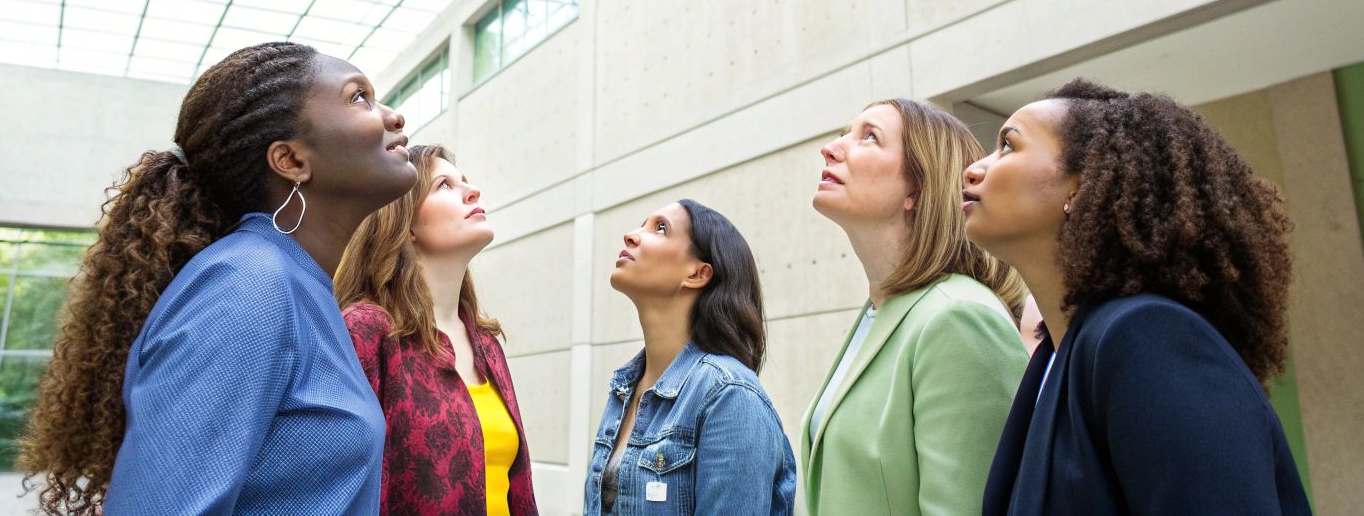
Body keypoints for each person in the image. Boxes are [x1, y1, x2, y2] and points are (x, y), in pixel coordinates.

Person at [18, 41, 418, 516]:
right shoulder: (248, 286)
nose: (395, 117)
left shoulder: (299, 284)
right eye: (359, 97)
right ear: (290, 161)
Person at [967, 78, 1312, 515]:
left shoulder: (1147, 337)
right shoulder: (1055, 356)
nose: (974, 168)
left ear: (1082, 184)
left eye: (1008, 146)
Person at [801, 98, 1028, 516]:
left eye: (869, 137)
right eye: (844, 133)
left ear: (918, 189)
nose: (832, 148)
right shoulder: (881, 314)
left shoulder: (959, 317)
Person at [336, 145, 538, 516]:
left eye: (466, 181)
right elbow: (341, 484)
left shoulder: (486, 343)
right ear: (405, 223)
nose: (472, 191)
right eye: (444, 185)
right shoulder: (367, 330)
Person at [586, 200, 794, 516]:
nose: (631, 235)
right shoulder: (625, 388)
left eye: (660, 228)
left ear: (698, 273)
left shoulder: (729, 395)